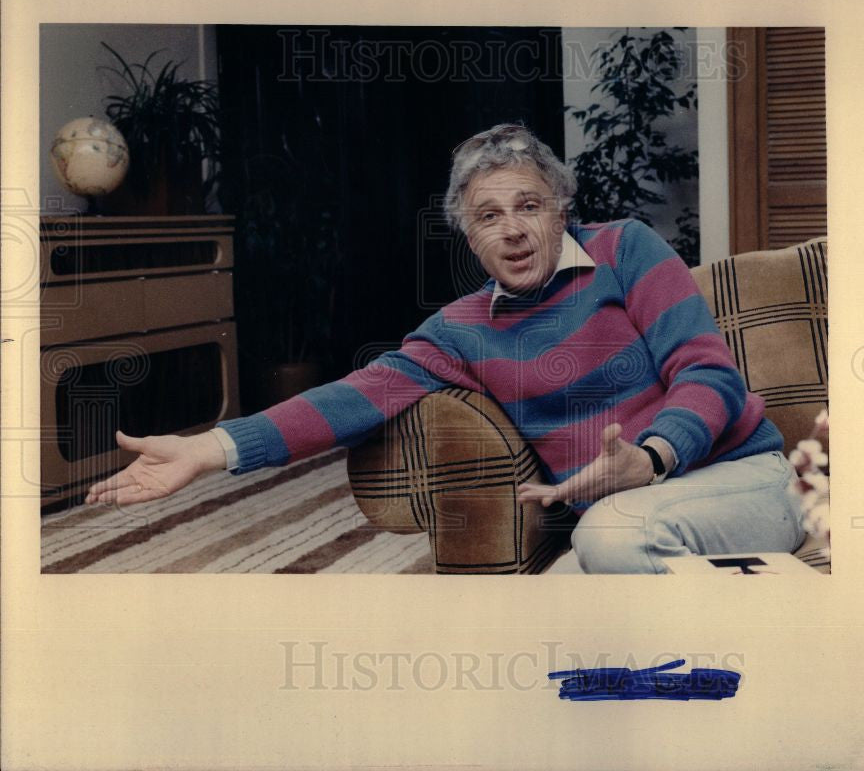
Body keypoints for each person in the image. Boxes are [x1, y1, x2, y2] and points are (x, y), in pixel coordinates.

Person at [85, 123, 804, 573]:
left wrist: (649, 458)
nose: (513, 230)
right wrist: (209, 449)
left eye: (529, 206)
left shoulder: (627, 249)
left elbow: (708, 372)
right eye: (489, 216)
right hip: (622, 519)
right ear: (470, 237)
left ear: (561, 209)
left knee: (607, 544)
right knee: (589, 564)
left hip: (734, 475)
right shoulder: (459, 330)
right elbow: (350, 398)